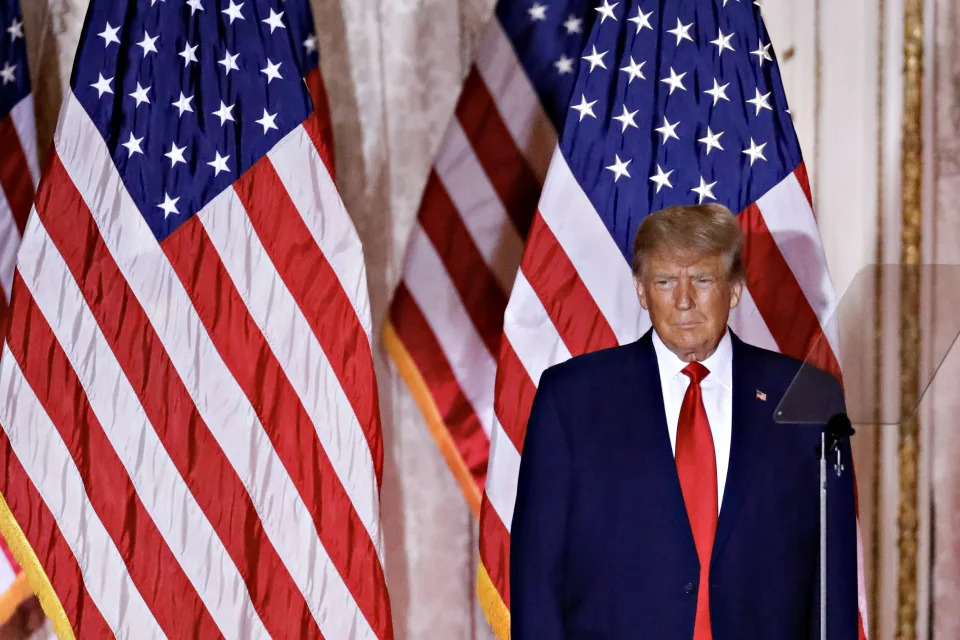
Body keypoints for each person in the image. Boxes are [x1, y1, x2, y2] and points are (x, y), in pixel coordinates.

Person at [510, 204, 858, 639]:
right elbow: (536, 577)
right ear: (641, 290)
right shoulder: (571, 400)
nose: (684, 300)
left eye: (703, 279)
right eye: (665, 281)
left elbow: (834, 582)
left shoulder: (809, 399)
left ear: (734, 289)